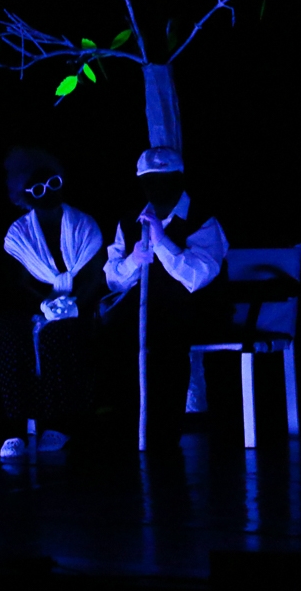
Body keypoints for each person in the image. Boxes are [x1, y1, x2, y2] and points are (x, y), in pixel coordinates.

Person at [101, 147, 229, 450]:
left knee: (165, 340)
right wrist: (133, 261)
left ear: (179, 179)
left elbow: (197, 277)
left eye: (165, 180)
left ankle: (163, 434)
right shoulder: (130, 222)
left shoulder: (203, 220)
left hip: (194, 313)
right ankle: (126, 428)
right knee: (114, 337)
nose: (157, 188)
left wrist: (162, 243)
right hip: (144, 315)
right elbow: (113, 279)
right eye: (150, 181)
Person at [0, 147, 106, 458]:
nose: (48, 192)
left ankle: (58, 424)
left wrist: (73, 306)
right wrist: (44, 305)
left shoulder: (84, 225)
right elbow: (19, 283)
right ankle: (15, 427)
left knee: (59, 335)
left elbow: (94, 276)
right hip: (35, 309)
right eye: (39, 188)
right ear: (25, 195)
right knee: (8, 332)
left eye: (53, 183)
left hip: (78, 308)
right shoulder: (19, 234)